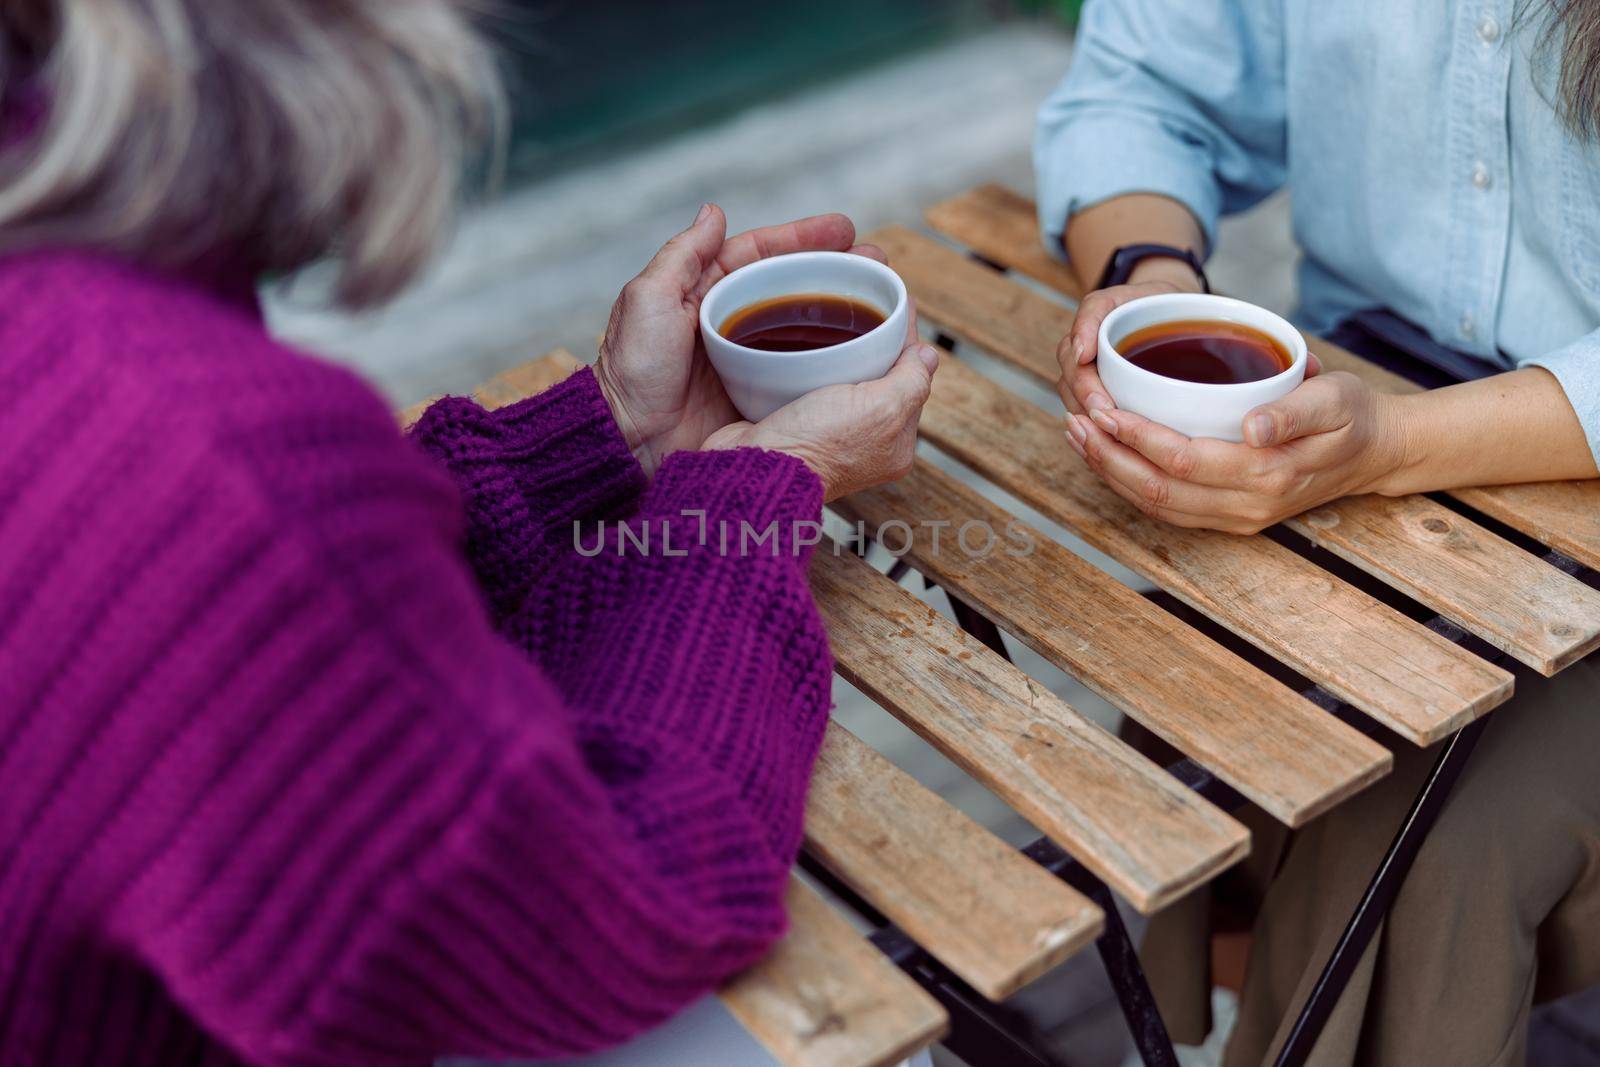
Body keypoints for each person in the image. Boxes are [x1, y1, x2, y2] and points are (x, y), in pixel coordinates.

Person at [0, 2, 939, 1065]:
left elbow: (291, 637)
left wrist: (609, 434)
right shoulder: (205, 447)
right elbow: (620, 917)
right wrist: (752, 492)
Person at [1036, 1, 1600, 1064]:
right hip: (1360, 411)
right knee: (1201, 675)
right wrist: (1145, 286)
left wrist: (1394, 444)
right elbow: (1144, 88)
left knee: (1428, 838)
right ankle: (1222, 1025)